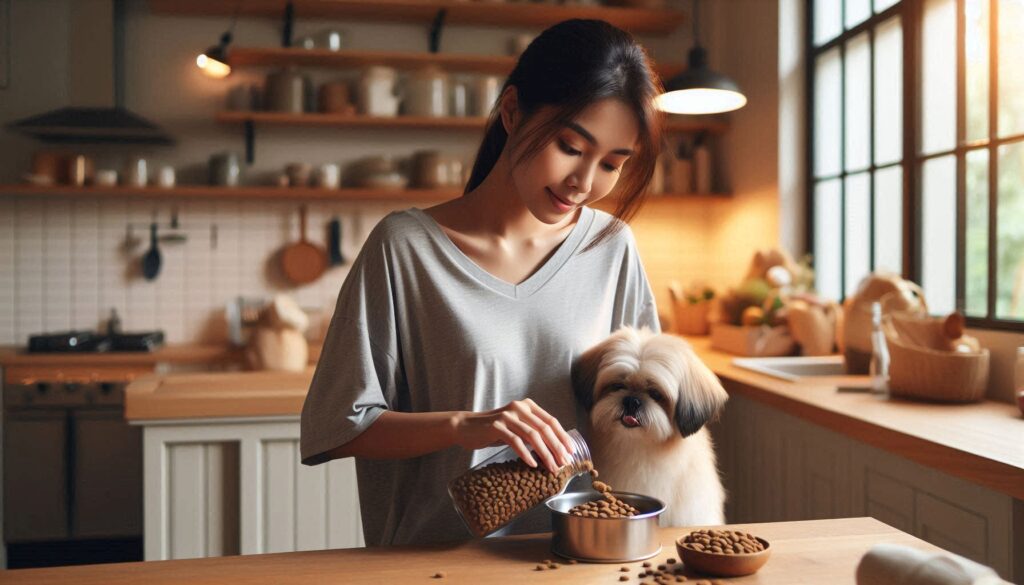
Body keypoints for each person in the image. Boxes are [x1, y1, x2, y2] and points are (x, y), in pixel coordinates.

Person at [300, 18, 665, 547]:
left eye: (611, 163)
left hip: (578, 556)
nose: (584, 183)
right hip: (438, 563)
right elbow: (339, 427)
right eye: (570, 146)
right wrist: (464, 425)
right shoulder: (405, 248)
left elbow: (651, 411)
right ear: (513, 112)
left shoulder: (611, 247)